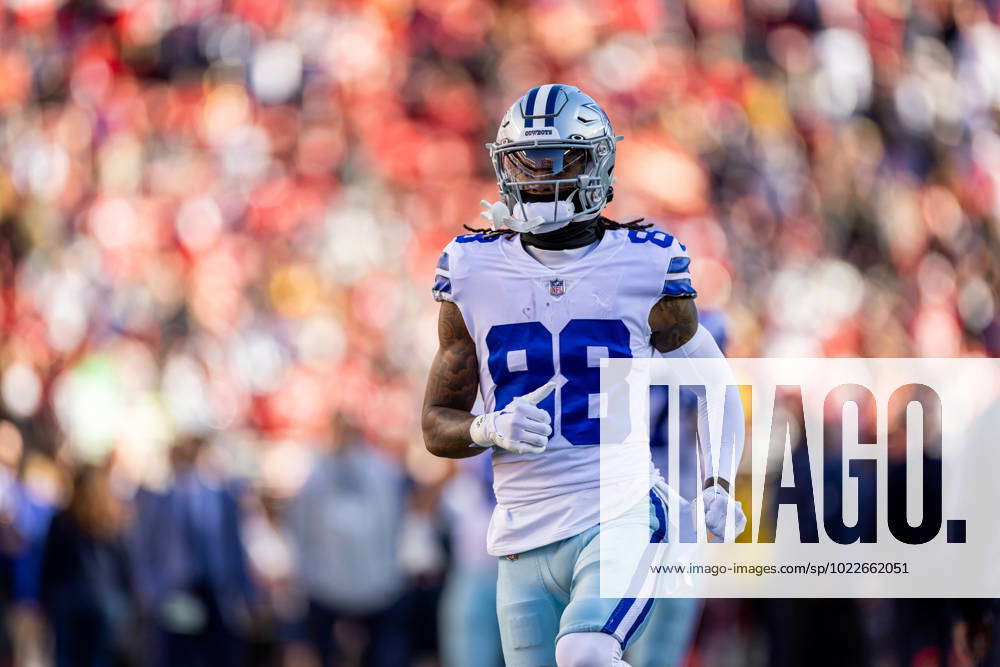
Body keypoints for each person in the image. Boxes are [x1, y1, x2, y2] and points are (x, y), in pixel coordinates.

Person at [421, 84, 746, 667]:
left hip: (619, 512)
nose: (539, 178)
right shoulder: (471, 269)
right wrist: (487, 429)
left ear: (594, 163)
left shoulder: (643, 262)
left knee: (587, 656)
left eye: (556, 160)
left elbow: (715, 382)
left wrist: (719, 483)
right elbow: (436, 424)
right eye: (526, 161)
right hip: (522, 535)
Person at [39, 464, 134, 667]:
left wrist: (44, 600)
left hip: (69, 602)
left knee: (68, 657)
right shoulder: (112, 519)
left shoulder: (63, 520)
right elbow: (125, 565)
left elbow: (50, 564)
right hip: (104, 602)